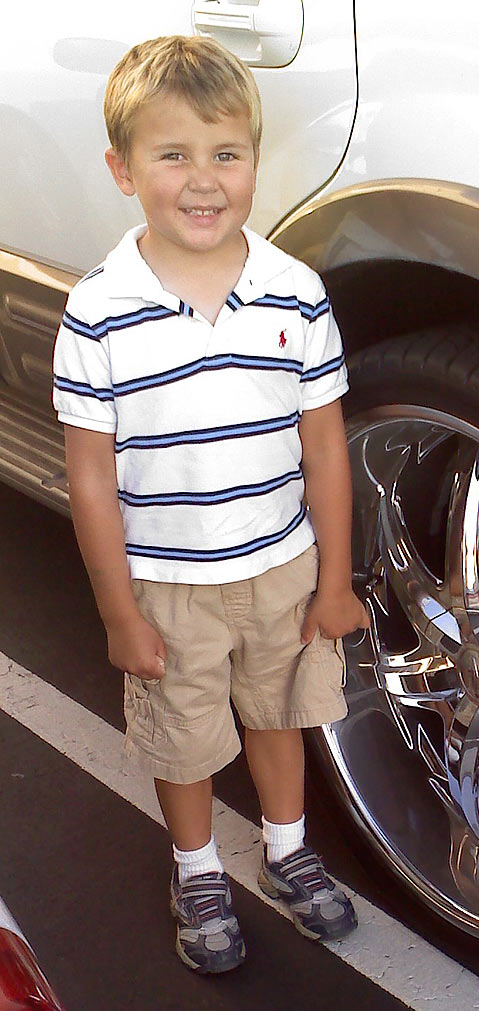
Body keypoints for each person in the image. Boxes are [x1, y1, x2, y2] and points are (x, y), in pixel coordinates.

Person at [51, 34, 369, 974]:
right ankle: (196, 869)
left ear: (255, 164)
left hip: (281, 565)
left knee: (277, 714)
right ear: (122, 169)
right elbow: (90, 477)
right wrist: (118, 609)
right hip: (168, 583)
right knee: (184, 738)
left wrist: (337, 578)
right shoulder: (100, 310)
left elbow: (324, 449)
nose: (203, 180)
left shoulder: (296, 295)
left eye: (225, 154)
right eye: (172, 154)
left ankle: (286, 849)